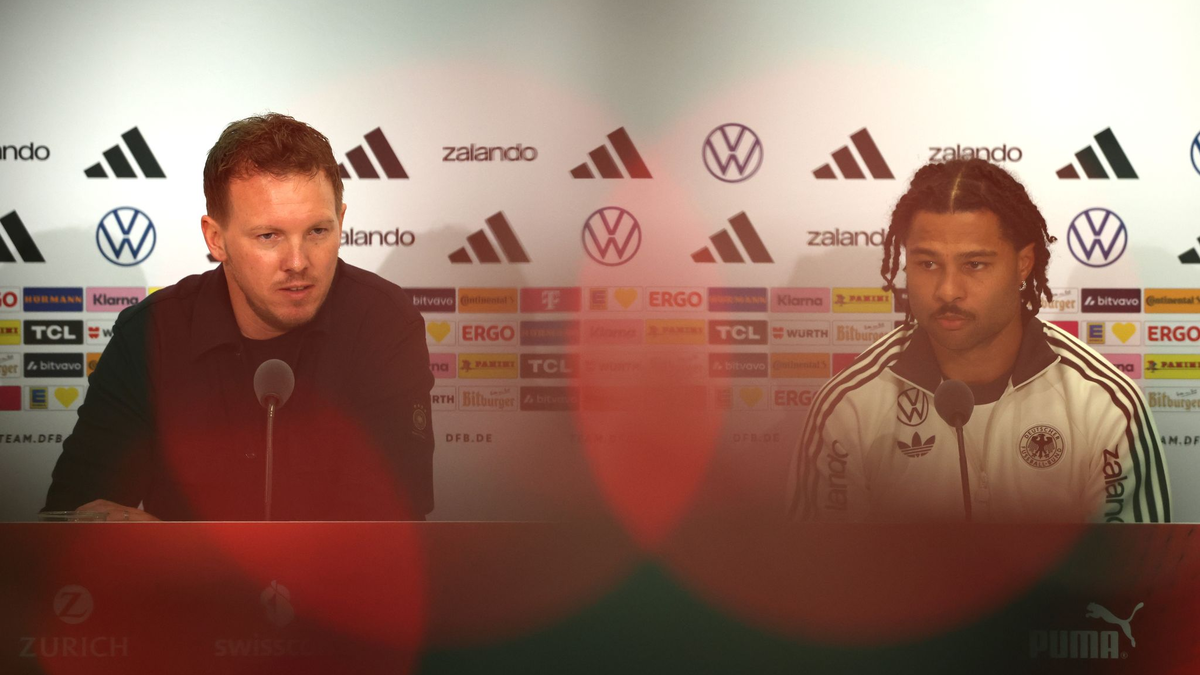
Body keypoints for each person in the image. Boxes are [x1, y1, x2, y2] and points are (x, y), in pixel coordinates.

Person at [43, 113, 435, 521]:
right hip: (182, 587)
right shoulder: (150, 334)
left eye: (318, 231)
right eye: (269, 236)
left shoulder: (384, 324)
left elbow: (394, 525)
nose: (298, 262)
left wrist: (179, 550)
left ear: (341, 220)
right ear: (216, 239)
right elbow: (73, 516)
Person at [787, 158, 1169, 523]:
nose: (947, 290)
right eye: (928, 264)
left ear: (1023, 264)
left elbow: (1132, 582)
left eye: (974, 264)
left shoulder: (1103, 401)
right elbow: (819, 580)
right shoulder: (849, 404)